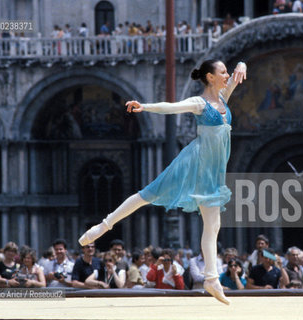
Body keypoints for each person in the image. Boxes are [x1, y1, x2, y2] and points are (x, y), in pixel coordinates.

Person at [79, 59, 247, 304]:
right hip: (194, 162)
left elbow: (238, 73)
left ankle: (211, 280)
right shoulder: (199, 103)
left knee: (213, 225)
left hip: (213, 171)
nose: (227, 74)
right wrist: (144, 107)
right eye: (222, 72)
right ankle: (103, 226)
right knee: (149, 194)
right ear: (210, 77)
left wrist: (242, 64)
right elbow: (170, 107)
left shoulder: (223, 97)